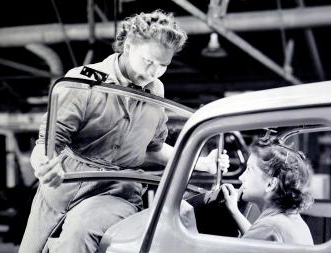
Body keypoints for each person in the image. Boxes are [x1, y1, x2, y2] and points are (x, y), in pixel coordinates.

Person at [19, 10, 229, 253]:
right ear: (128, 47)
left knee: (78, 234)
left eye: (163, 66)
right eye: (148, 61)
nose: (154, 72)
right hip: (61, 189)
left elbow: (154, 149)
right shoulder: (83, 82)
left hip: (115, 191)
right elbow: (47, 144)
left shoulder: (155, 91)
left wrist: (201, 163)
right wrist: (45, 165)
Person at [221, 139, 314, 245]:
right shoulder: (291, 220)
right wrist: (234, 211)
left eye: (249, 170)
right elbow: (256, 240)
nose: (241, 177)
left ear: (270, 184)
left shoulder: (269, 227)